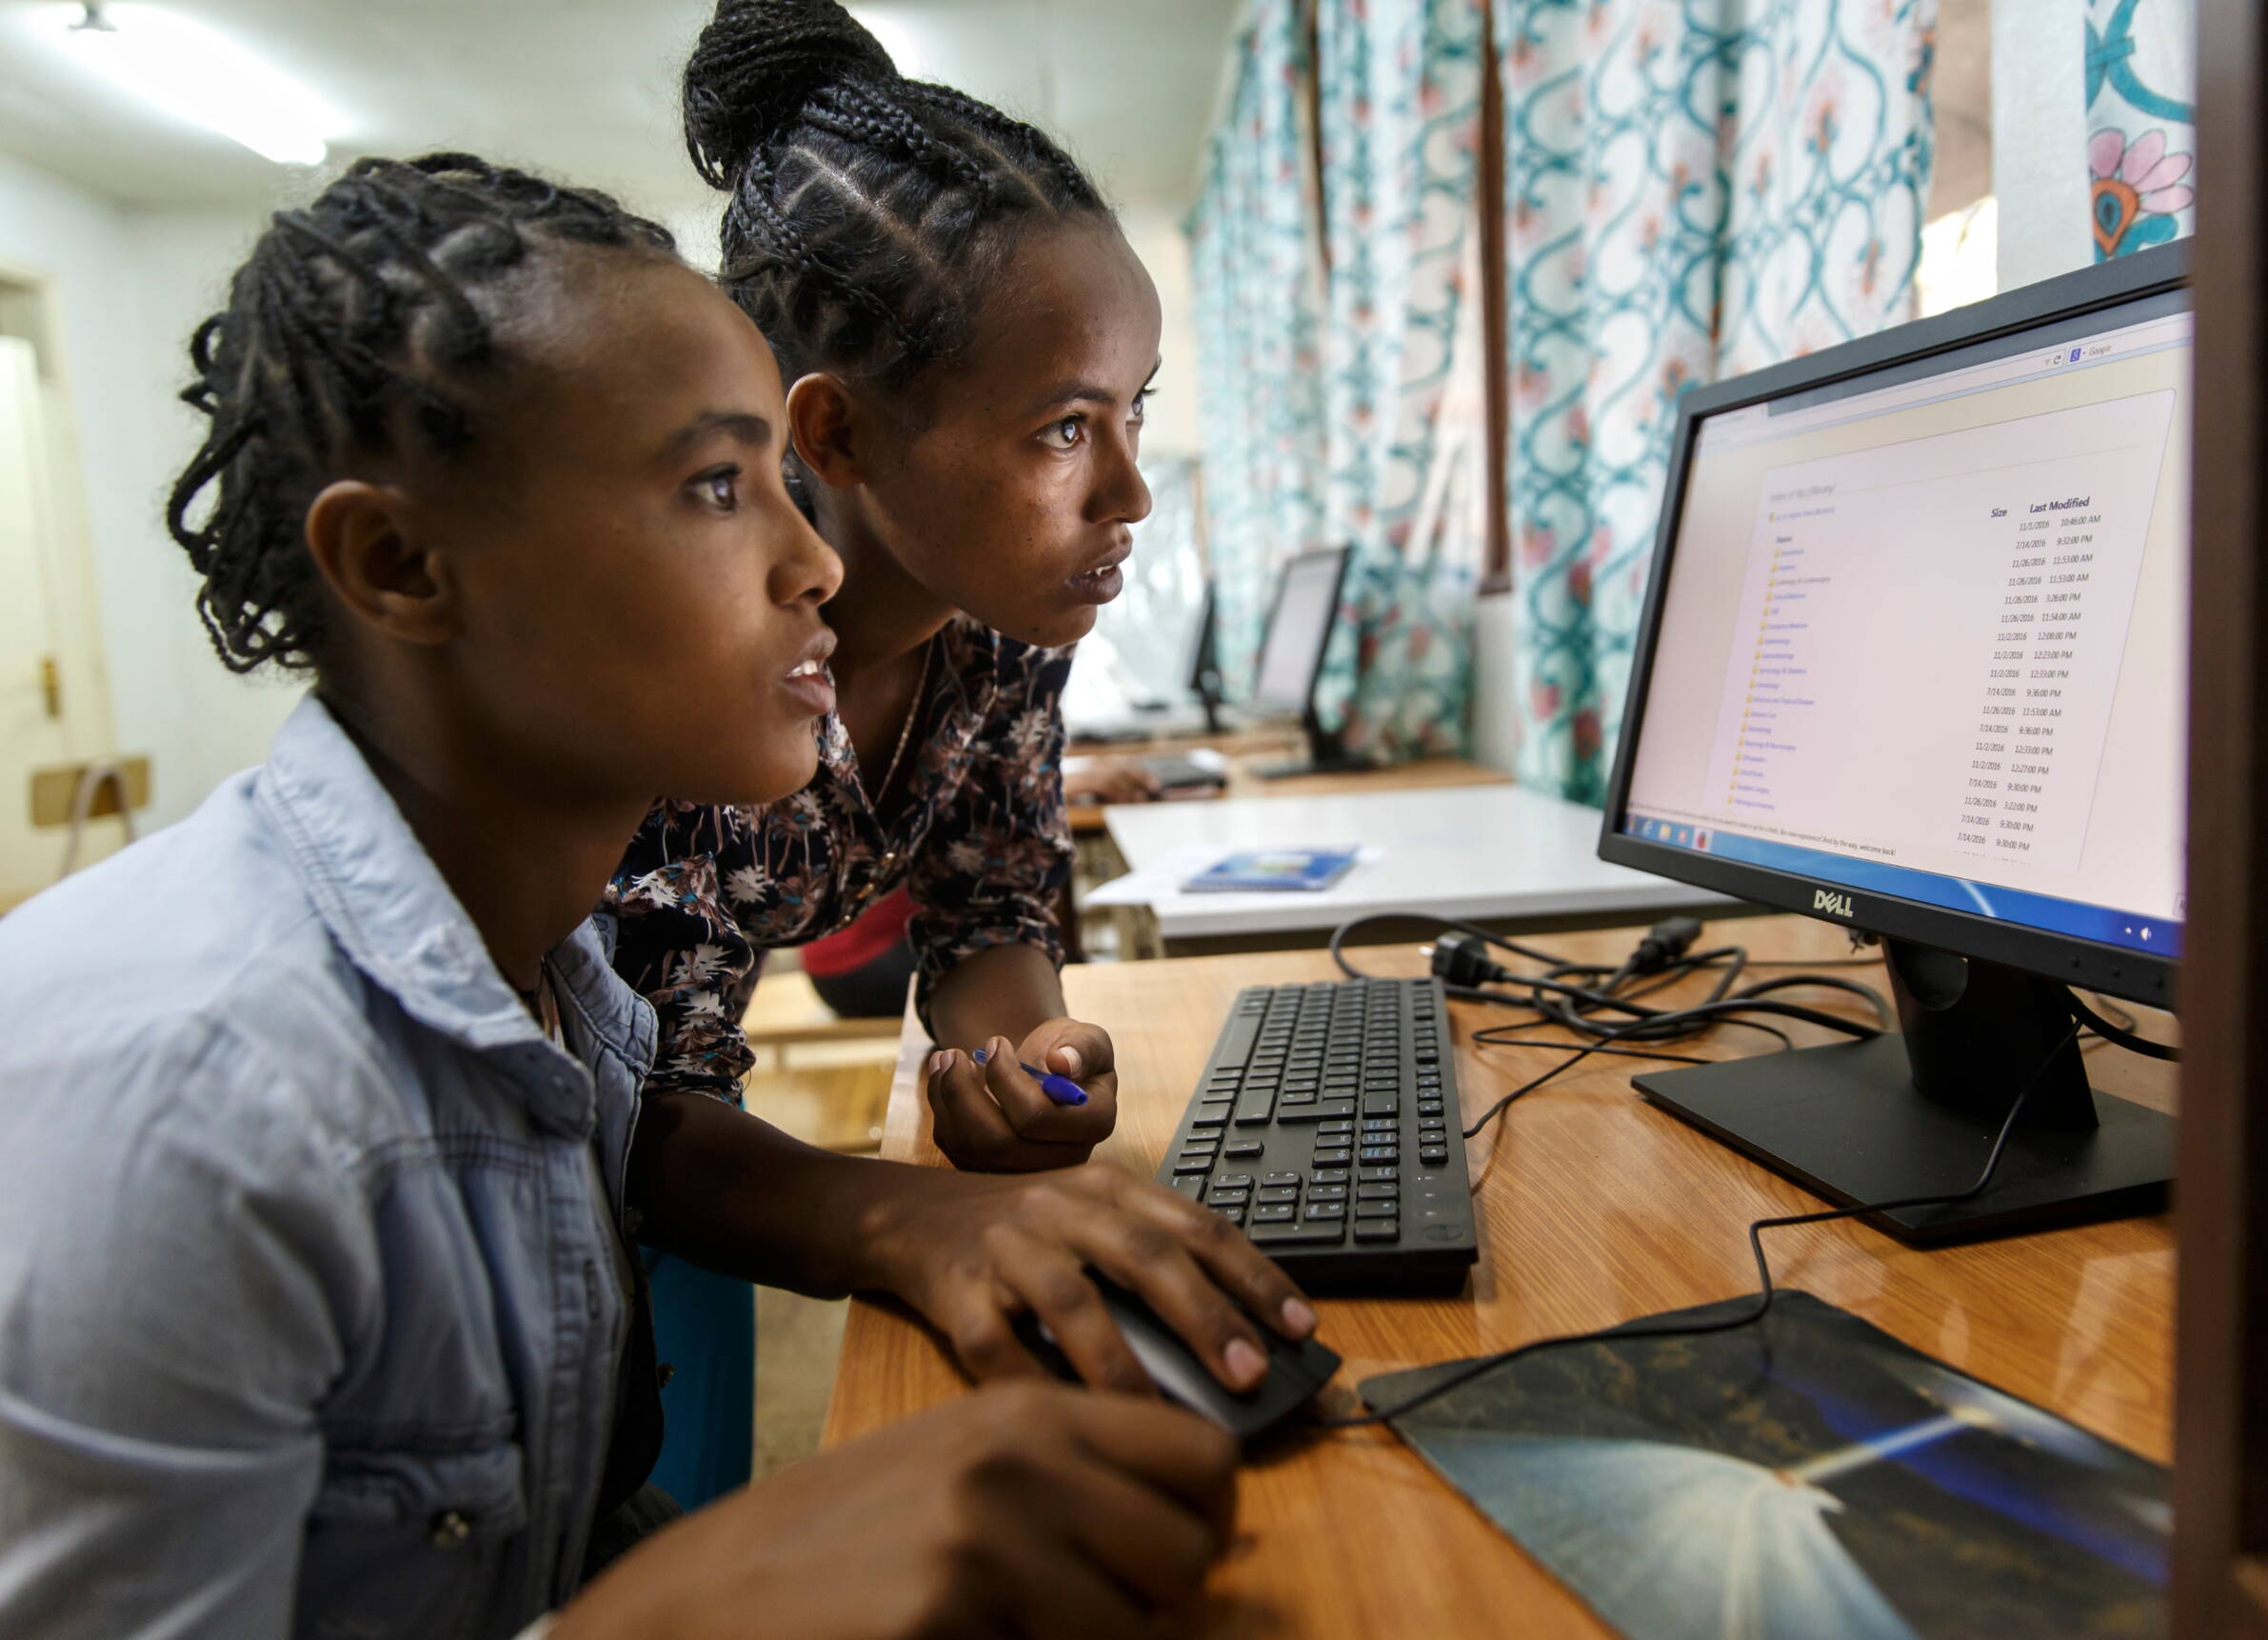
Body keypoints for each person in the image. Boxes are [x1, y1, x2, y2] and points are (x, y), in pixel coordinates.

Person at [0, 152, 1313, 1639]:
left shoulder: (570, 1010)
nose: (818, 559)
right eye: (713, 487)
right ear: (397, 562)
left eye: (777, 487)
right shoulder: (184, 1103)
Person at [607, 0, 1169, 1174]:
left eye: (1134, 411)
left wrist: (1026, 1064)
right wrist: (916, 1227)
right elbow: (642, 1104)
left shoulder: (1004, 642)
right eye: (1066, 427)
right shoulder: (685, 652)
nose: (1131, 493)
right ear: (838, 434)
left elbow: (989, 909)